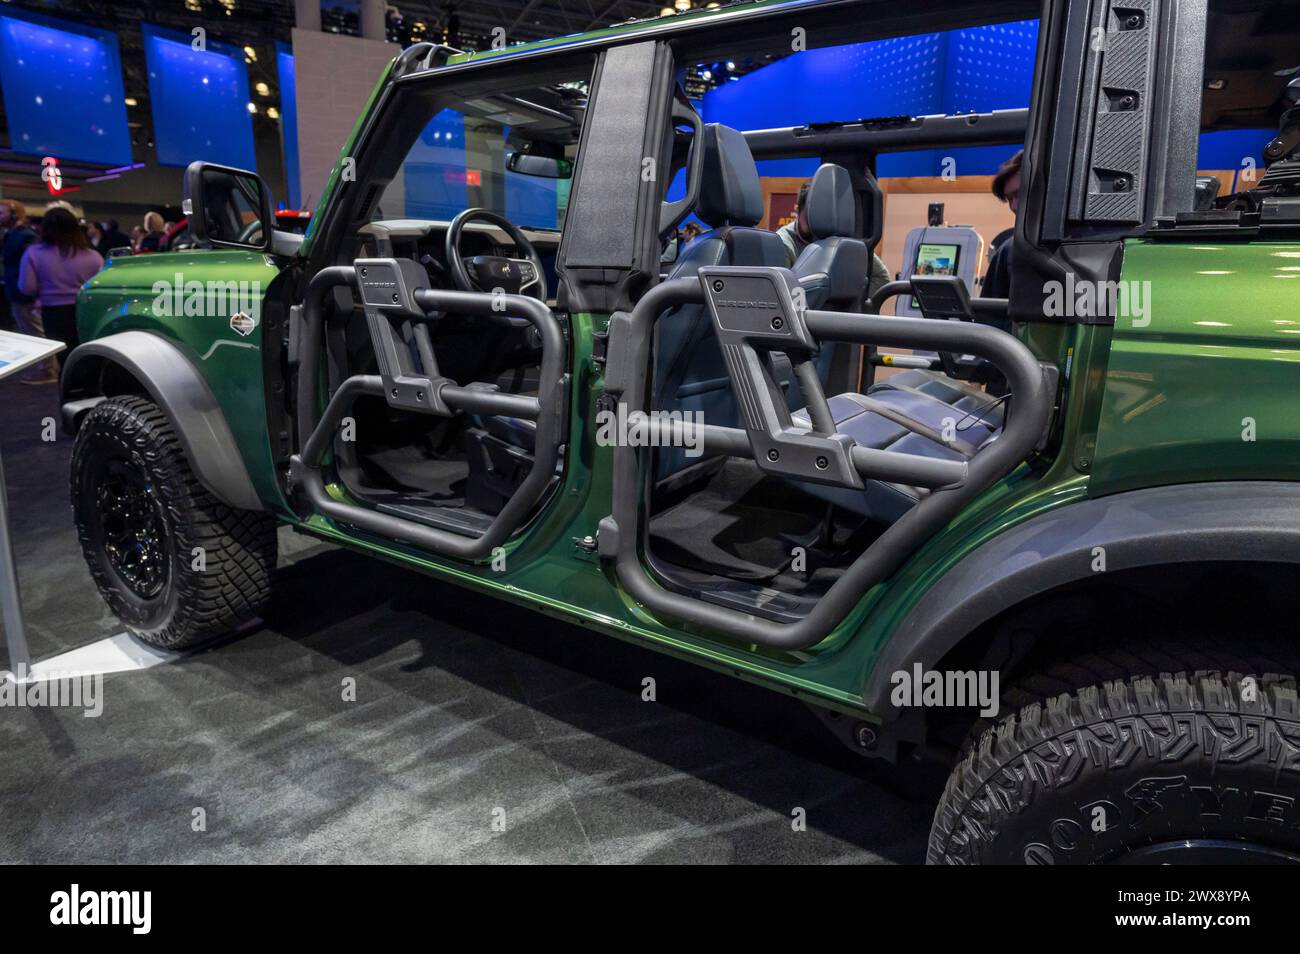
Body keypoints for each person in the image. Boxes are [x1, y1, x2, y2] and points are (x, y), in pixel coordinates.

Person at [17, 206, 103, 379]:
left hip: (53, 312)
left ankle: (70, 396)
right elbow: (101, 287)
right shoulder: (93, 255)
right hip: (85, 310)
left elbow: (27, 287)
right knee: (87, 355)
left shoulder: (34, 253)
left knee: (66, 359)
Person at [777, 179, 891, 299]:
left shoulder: (840, 240)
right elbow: (785, 298)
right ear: (798, 210)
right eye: (810, 216)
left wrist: (850, 303)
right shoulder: (784, 244)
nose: (816, 223)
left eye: (821, 217)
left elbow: (881, 278)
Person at [0, 199, 57, 382]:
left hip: (25, 291)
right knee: (30, 330)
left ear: (14, 214)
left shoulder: (25, 235)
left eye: (1, 213)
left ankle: (47, 370)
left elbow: (36, 265)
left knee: (35, 332)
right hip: (17, 289)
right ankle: (45, 368)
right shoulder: (12, 234)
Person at [981, 148, 1022, 302]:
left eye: (1019, 194)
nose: (1014, 206)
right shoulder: (1008, 252)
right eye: (1009, 199)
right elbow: (988, 322)